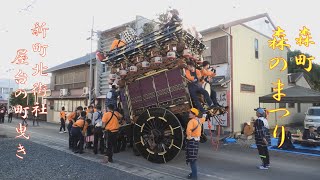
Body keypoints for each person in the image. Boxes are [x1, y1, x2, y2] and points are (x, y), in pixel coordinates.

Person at [185, 108, 206, 179]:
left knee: (192, 160)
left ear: (194, 114)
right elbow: (204, 118)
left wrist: (189, 137)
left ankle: (194, 177)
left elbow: (188, 130)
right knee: (193, 159)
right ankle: (193, 173)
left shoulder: (191, 121)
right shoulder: (199, 120)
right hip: (196, 142)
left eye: (190, 113)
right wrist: (205, 113)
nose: (189, 114)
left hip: (192, 141)